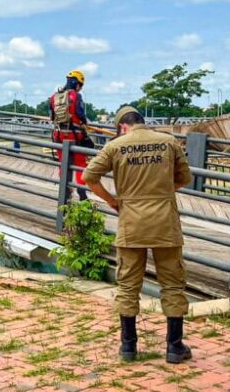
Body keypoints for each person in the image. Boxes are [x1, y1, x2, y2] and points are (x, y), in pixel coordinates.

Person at [81, 106, 194, 365]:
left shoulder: (116, 146)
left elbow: (89, 176)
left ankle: (128, 346)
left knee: (128, 285)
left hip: (131, 222)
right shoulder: (169, 142)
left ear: (122, 126)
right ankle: (175, 347)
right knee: (173, 284)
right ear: (142, 122)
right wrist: (163, 191)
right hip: (165, 222)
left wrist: (113, 201)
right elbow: (185, 178)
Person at [49, 70, 94, 201]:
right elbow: (80, 115)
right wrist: (85, 122)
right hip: (76, 136)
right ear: (77, 84)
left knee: (64, 164)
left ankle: (65, 193)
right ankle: (82, 193)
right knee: (80, 164)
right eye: (81, 85)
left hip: (59, 136)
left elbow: (52, 117)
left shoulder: (54, 97)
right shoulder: (76, 96)